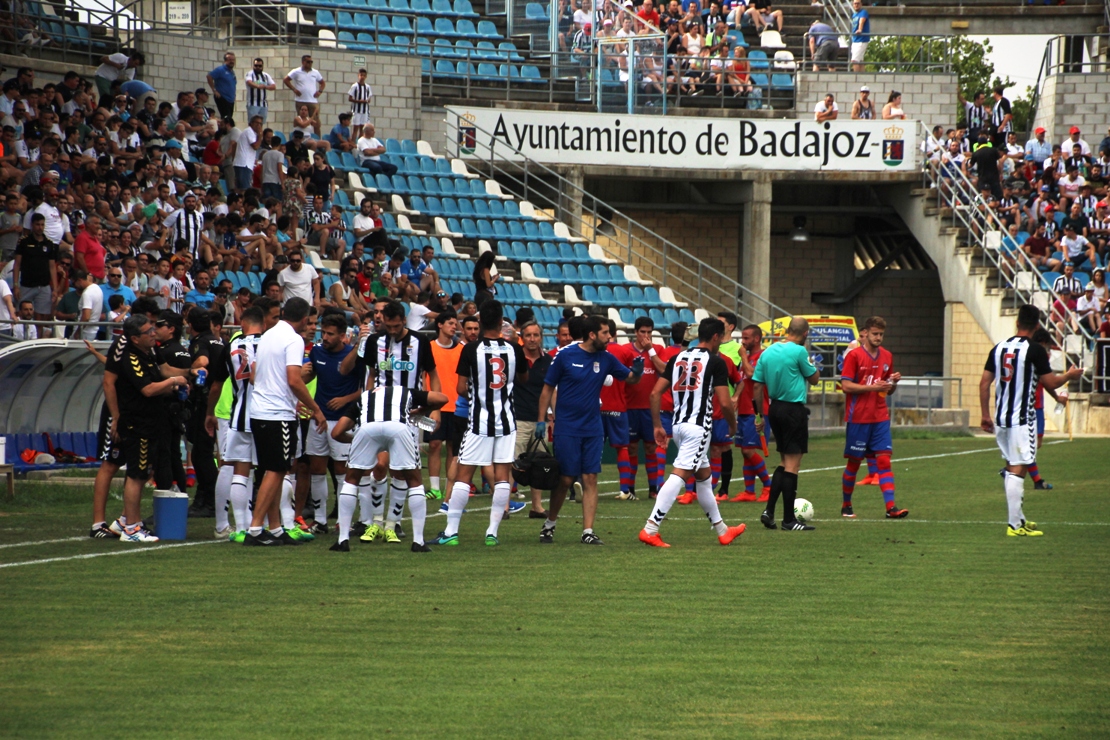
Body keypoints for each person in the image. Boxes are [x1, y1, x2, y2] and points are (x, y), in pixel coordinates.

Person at [536, 315, 644, 545]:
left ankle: (587, 531)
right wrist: (541, 421)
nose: (609, 337)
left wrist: (638, 370)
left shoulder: (606, 358)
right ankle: (549, 524)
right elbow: (547, 389)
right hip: (567, 427)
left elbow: (631, 379)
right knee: (565, 479)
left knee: (590, 477)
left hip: (593, 428)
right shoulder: (565, 355)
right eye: (605, 333)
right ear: (592, 334)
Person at [640, 317, 746, 548]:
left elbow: (654, 394)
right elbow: (725, 403)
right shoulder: (715, 362)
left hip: (678, 426)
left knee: (704, 479)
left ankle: (722, 530)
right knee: (679, 475)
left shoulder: (677, 357)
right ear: (716, 337)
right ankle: (650, 528)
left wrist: (658, 425)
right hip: (698, 428)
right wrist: (733, 425)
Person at [340, 299, 441, 542]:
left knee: (402, 470)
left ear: (404, 321)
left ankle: (392, 524)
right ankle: (375, 521)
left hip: (411, 411)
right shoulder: (376, 341)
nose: (392, 331)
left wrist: (434, 411)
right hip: (379, 411)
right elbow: (371, 376)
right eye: (388, 326)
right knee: (380, 465)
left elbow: (432, 375)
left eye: (396, 326)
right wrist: (366, 405)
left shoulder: (420, 342)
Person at [980, 305, 1081, 537]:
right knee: (1019, 467)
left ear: (1017, 322)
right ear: (1037, 326)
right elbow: (1052, 382)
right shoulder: (1035, 350)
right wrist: (1069, 376)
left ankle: (1019, 519)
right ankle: (1014, 525)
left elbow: (984, 383)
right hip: (1022, 418)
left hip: (1001, 419)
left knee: (1013, 466)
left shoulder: (998, 348)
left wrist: (985, 415)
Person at [434, 301, 529, 547]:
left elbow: (460, 388)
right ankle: (492, 533)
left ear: (480, 322)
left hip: (479, 422)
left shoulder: (470, 350)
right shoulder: (513, 349)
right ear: (501, 323)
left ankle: (451, 531)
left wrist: (479, 393)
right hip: (507, 422)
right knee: (501, 477)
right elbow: (523, 378)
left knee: (464, 476)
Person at [246, 297, 327, 546]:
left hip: (260, 409)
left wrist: (292, 400)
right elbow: (294, 378)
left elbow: (261, 373)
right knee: (278, 469)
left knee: (271, 469)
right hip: (276, 414)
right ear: (304, 319)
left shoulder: (269, 334)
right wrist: (315, 409)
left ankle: (276, 527)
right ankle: (255, 529)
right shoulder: (293, 339)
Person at [331, 382, 447, 552]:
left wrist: (359, 442)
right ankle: (419, 542)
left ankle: (343, 540)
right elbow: (442, 398)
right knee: (414, 481)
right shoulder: (406, 392)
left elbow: (336, 433)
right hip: (398, 427)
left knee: (351, 480)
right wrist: (420, 411)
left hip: (367, 429)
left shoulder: (364, 397)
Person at [113, 315, 190, 542]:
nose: (153, 333)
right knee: (137, 475)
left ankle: (125, 522)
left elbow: (162, 373)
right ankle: (132, 528)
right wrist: (172, 382)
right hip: (138, 424)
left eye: (154, 329)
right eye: (148, 332)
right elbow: (147, 389)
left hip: (151, 422)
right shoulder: (131, 358)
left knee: (142, 472)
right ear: (135, 338)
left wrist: (186, 375)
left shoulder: (150, 353)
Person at [204, 305, 268, 542]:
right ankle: (274, 523)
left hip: (239, 416)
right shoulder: (270, 343)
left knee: (238, 472)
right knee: (275, 470)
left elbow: (216, 386)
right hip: (268, 415)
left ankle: (240, 527)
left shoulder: (231, 346)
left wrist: (209, 413)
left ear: (242, 322)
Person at [752, 316, 819, 531]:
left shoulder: (768, 351)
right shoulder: (799, 351)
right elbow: (814, 378)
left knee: (783, 462)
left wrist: (759, 415)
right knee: (793, 464)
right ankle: (789, 520)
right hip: (793, 410)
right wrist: (810, 360)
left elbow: (756, 386)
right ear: (805, 334)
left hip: (774, 409)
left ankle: (769, 511)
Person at [839, 316, 909, 519]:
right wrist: (873, 387)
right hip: (858, 417)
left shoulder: (887, 356)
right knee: (854, 463)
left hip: (880, 417)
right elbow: (846, 386)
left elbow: (887, 391)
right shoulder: (854, 356)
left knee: (884, 462)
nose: (878, 338)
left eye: (881, 334)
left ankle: (891, 507)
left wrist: (893, 382)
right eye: (875, 334)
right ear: (866, 333)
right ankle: (846, 505)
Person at [299, 312, 361, 534]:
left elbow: (366, 388)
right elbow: (306, 378)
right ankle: (320, 520)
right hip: (319, 419)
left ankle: (343, 520)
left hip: (343, 420)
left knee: (342, 470)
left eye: (330, 334)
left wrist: (346, 399)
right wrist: (298, 379)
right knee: (317, 469)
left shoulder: (353, 357)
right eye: (323, 332)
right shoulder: (316, 352)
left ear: (343, 336)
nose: (324, 337)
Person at [13, 211, 58, 337]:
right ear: (32, 225)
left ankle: (36, 341)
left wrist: (54, 288)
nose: (40, 227)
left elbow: (52, 267)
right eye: (38, 224)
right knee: (21, 316)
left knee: (41, 320)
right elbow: (17, 264)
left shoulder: (49, 243)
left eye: (42, 225)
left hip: (43, 286)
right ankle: (19, 340)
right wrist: (16, 285)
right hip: (27, 284)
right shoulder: (24, 241)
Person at [284, 55, 325, 119]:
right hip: (300, 100)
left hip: (312, 100)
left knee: (315, 120)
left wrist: (320, 91)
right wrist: (294, 89)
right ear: (303, 62)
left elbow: (322, 83)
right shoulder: (296, 71)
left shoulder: (315, 72)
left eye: (311, 62)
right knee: (301, 119)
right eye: (308, 62)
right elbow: (286, 80)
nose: (310, 63)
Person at [233, 115, 262, 193]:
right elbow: (255, 146)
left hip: (244, 164)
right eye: (257, 123)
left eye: (260, 124)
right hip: (243, 164)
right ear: (251, 123)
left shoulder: (251, 133)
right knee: (244, 189)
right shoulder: (249, 131)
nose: (259, 125)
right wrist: (260, 136)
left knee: (240, 188)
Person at [244, 58, 276, 124]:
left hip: (263, 104)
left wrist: (265, 86)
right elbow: (249, 82)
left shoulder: (265, 75)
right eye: (256, 65)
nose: (258, 67)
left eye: (260, 66)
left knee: (261, 123)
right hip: (253, 103)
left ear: (262, 66)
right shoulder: (250, 74)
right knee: (253, 123)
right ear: (253, 66)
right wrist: (258, 86)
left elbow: (273, 86)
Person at [207, 52, 238, 119]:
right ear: (225, 60)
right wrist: (214, 90)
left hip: (230, 100)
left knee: (228, 118)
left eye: (233, 59)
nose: (231, 61)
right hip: (222, 97)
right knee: (226, 118)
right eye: (229, 59)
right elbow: (209, 76)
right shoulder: (220, 69)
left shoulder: (232, 72)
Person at [347, 68, 373, 140]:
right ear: (358, 75)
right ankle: (353, 145)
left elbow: (369, 98)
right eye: (361, 75)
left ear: (366, 77)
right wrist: (359, 101)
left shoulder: (368, 87)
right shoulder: (355, 86)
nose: (362, 77)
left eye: (364, 75)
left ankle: (359, 144)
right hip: (356, 111)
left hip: (364, 111)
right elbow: (350, 98)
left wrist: (367, 101)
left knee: (362, 129)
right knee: (355, 129)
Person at [849, 0, 869, 72]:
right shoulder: (854, 15)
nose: (856, 5)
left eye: (858, 3)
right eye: (855, 4)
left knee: (854, 60)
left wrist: (860, 29)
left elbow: (862, 21)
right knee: (860, 61)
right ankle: (863, 77)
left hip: (861, 40)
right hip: (855, 40)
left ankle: (856, 77)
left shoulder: (863, 12)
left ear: (861, 4)